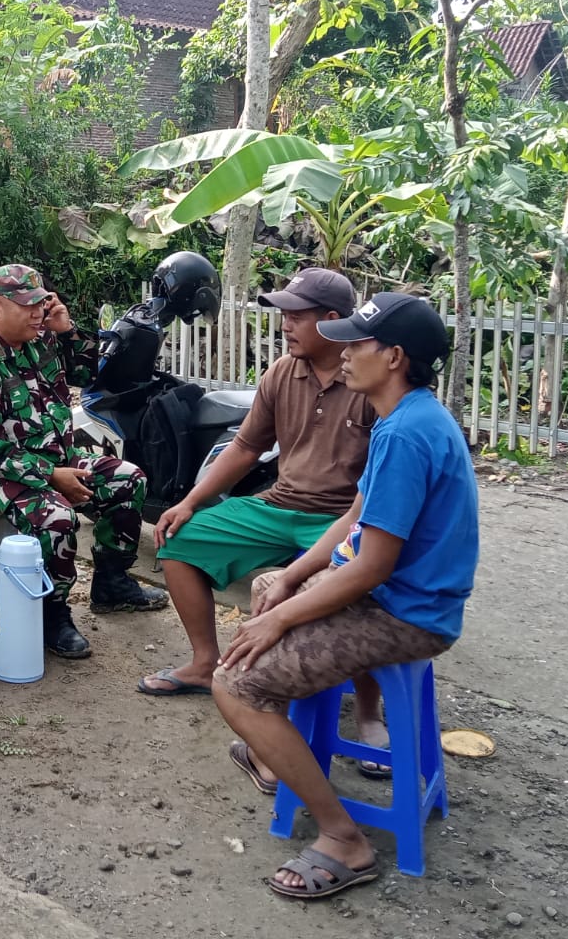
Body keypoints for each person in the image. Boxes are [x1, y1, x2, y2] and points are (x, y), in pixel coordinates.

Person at [213, 292, 479, 900]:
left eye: (357, 344)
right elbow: (354, 518)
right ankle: (276, 749)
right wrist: (291, 579)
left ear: (394, 357)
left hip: (405, 614)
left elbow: (370, 568)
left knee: (235, 684)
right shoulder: (405, 417)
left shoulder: (406, 435)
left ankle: (343, 838)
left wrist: (280, 621)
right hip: (393, 596)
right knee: (267, 586)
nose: (345, 354)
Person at [141, 268, 387, 768]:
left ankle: (369, 712)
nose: (284, 325)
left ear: (332, 319)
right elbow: (247, 446)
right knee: (179, 540)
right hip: (277, 506)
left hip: (342, 516)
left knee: (358, 588)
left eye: (296, 316)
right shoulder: (280, 373)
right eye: (283, 315)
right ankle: (205, 664)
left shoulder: (368, 376)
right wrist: (190, 501)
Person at [0, 263, 167, 661]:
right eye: (27, 306)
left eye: (41, 304)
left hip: (56, 455)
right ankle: (52, 614)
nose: (37, 314)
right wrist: (51, 477)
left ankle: (112, 584)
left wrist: (67, 330)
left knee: (127, 479)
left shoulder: (38, 339)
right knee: (56, 519)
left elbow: (86, 374)